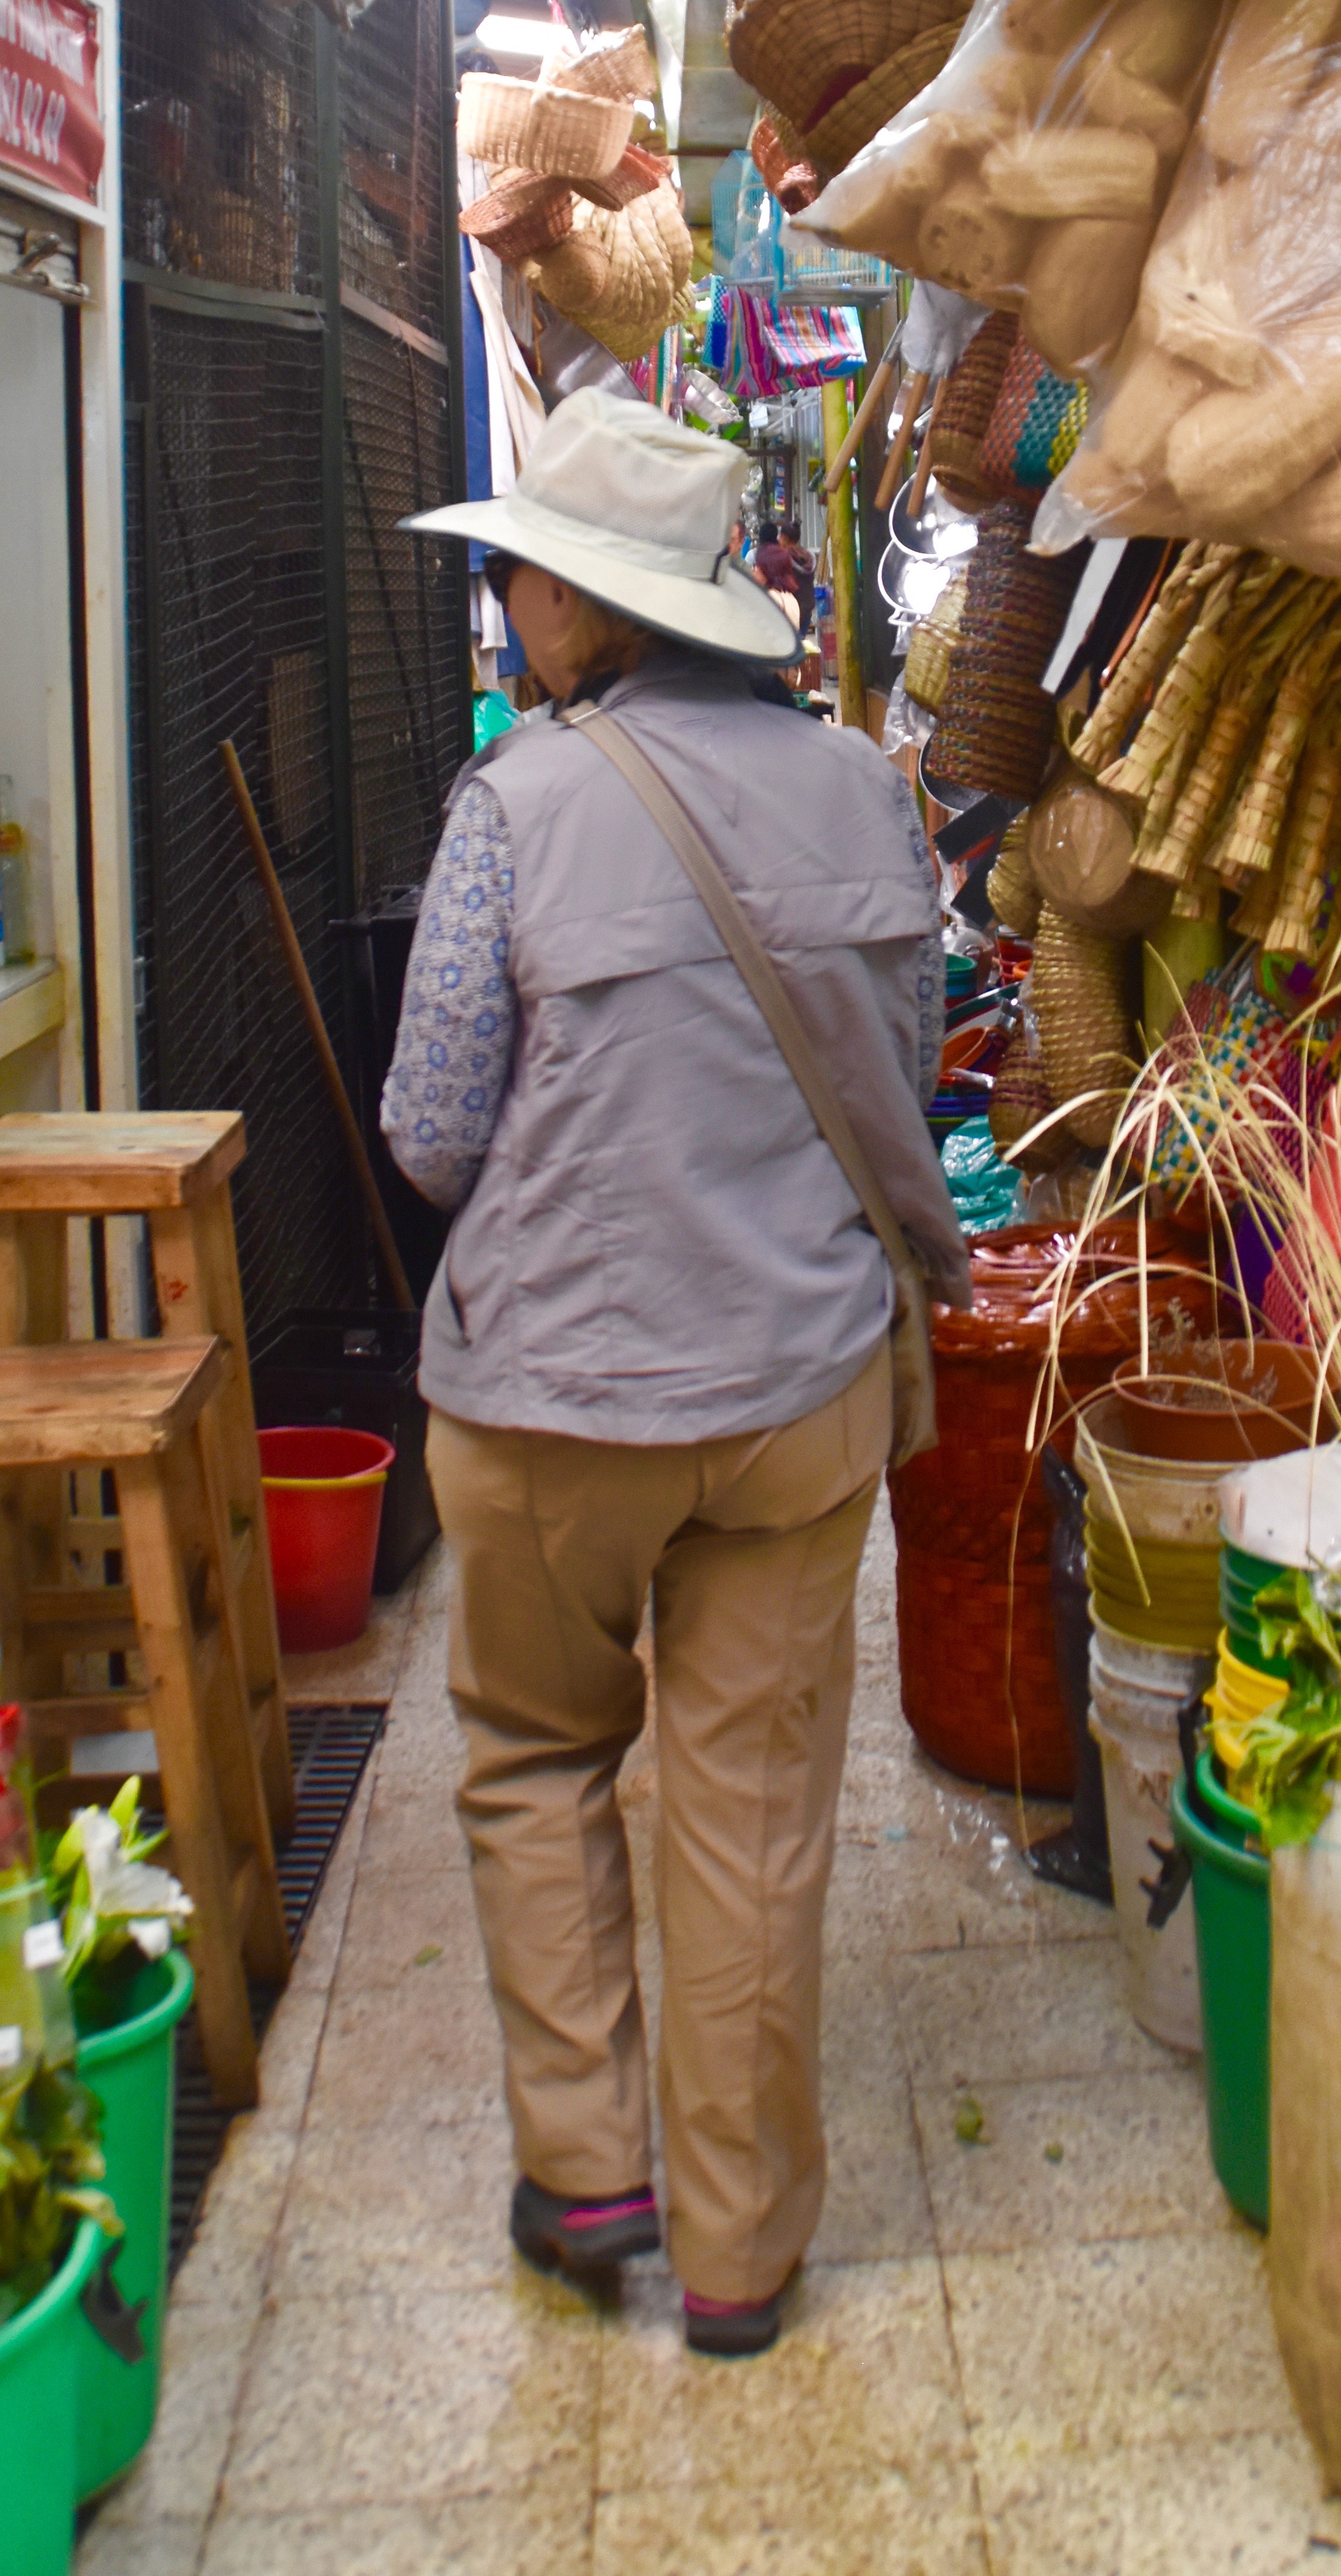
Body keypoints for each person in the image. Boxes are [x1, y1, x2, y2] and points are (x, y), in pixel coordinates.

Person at [383, 390, 967, 2358]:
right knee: (750, 1811)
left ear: (587, 607)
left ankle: (587, 2166)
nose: (502, 598)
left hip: (553, 1401)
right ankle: (736, 2252)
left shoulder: (510, 810)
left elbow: (429, 1129)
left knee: (541, 1758)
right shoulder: (867, 792)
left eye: (516, 569)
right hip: (794, 1393)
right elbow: (907, 1062)